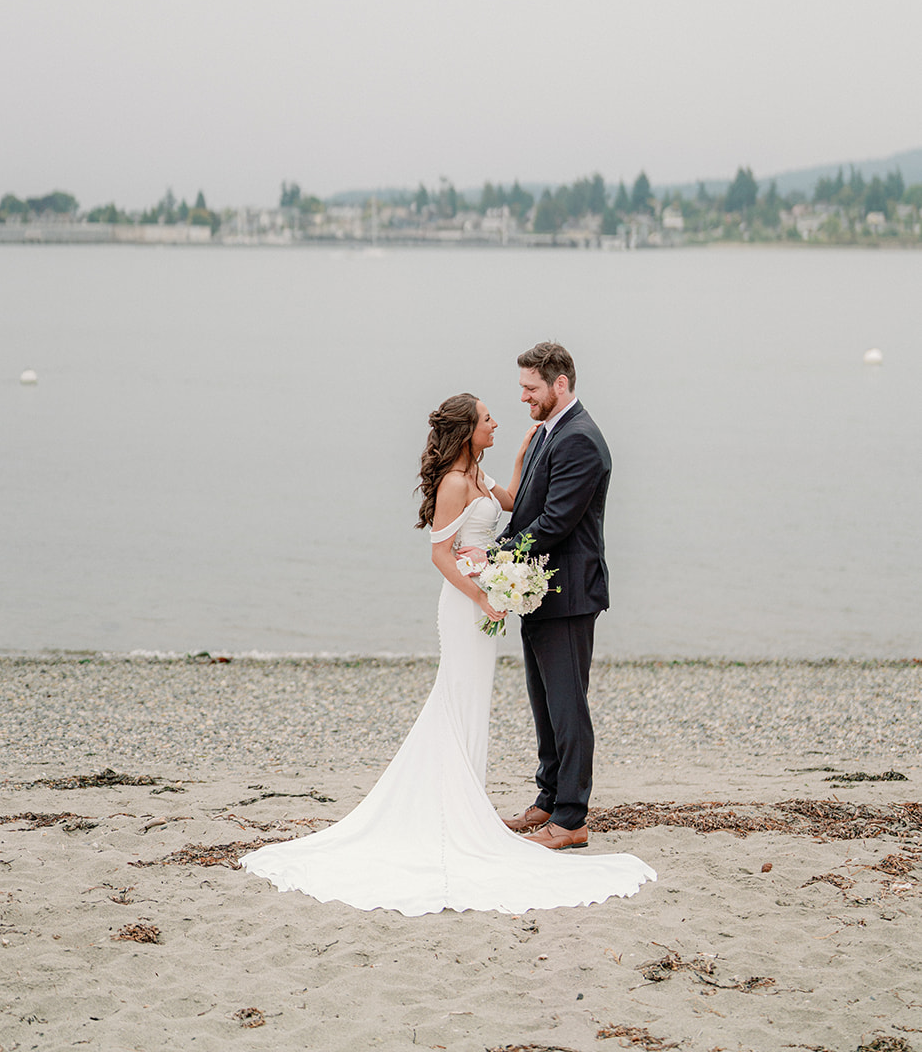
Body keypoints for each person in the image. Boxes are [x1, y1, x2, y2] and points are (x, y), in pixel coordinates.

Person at [240, 392, 654, 915]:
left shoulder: (479, 477)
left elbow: (513, 504)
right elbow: (440, 553)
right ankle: (455, 814)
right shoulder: (455, 483)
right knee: (457, 699)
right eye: (487, 419)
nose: (497, 421)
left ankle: (471, 808)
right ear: (467, 431)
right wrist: (483, 594)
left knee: (472, 703)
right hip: (463, 608)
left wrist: (526, 458)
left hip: (484, 607)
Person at [497, 341, 611, 850]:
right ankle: (547, 798)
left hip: (567, 593)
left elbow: (555, 522)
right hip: (538, 591)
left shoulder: (580, 439)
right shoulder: (550, 431)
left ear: (559, 384)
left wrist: (498, 555)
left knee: (568, 706)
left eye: (530, 388)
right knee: (543, 702)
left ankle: (571, 819)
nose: (523, 397)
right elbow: (527, 505)